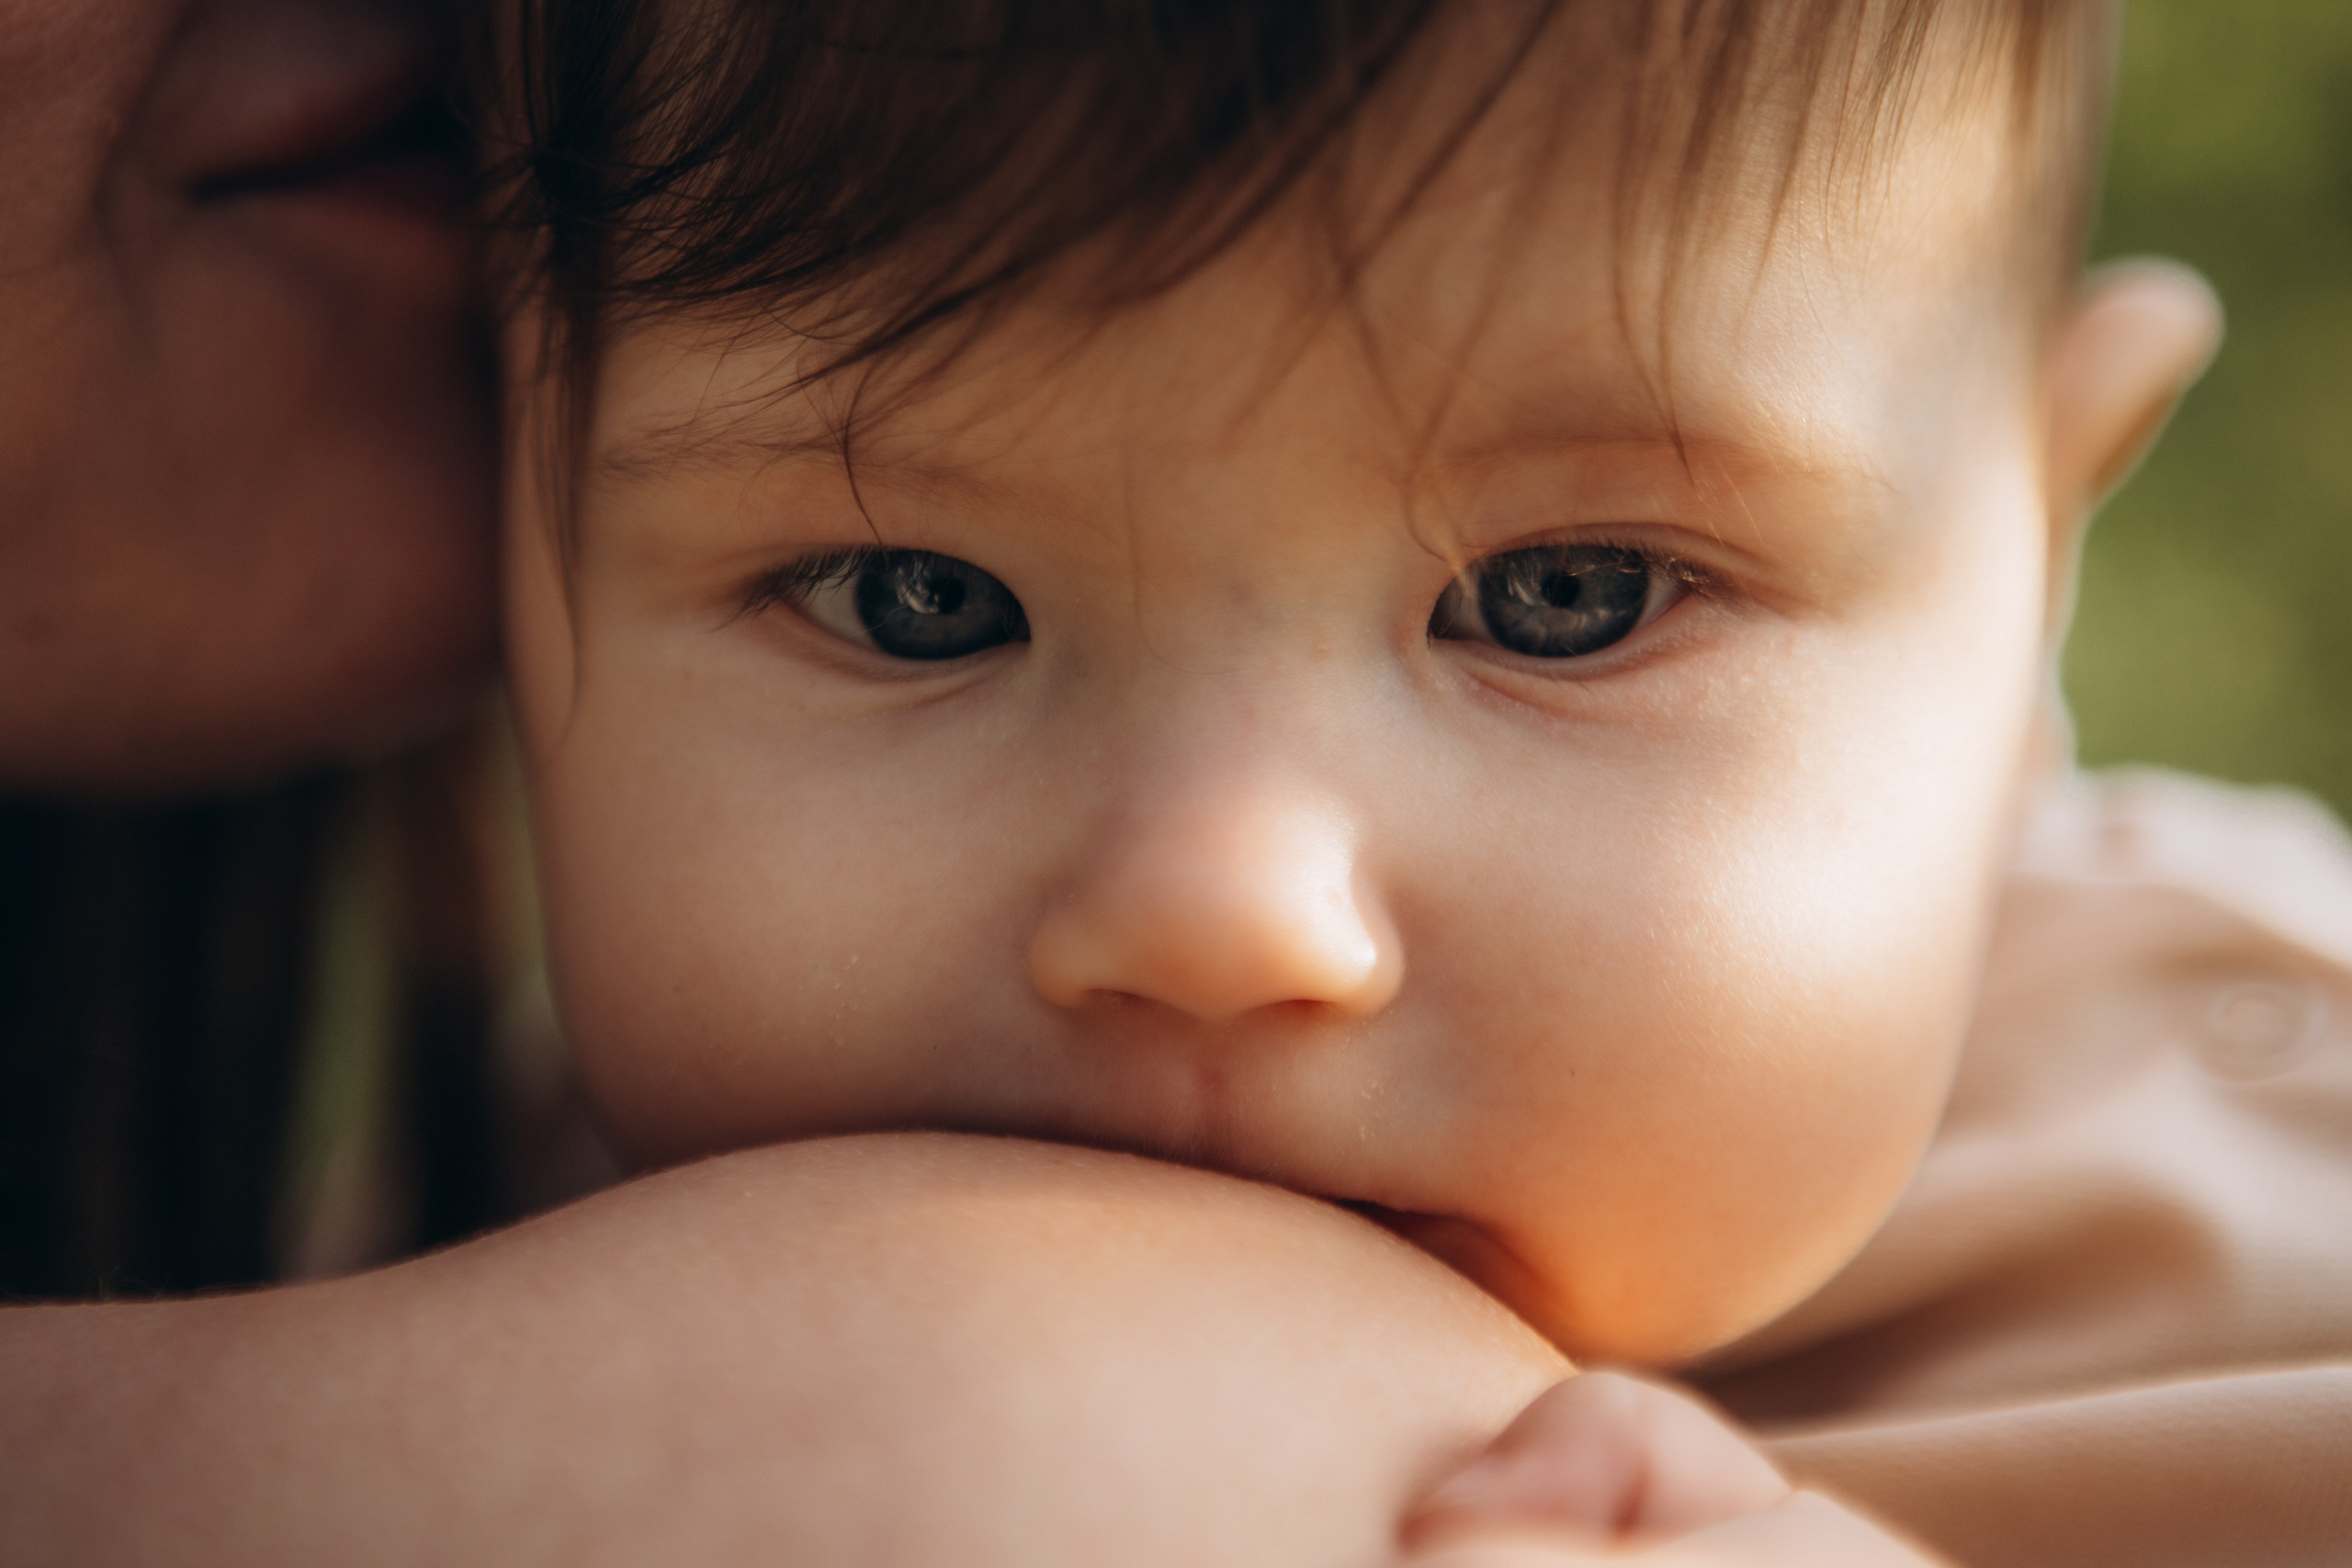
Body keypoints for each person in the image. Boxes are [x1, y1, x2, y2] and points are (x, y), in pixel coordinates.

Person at [482, 0, 2351, 1562]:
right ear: (514, 564)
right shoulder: (453, 1331)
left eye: (1565, 598)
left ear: (2038, 546)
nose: (1218, 913)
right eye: (915, 601)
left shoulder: (2268, 1157)